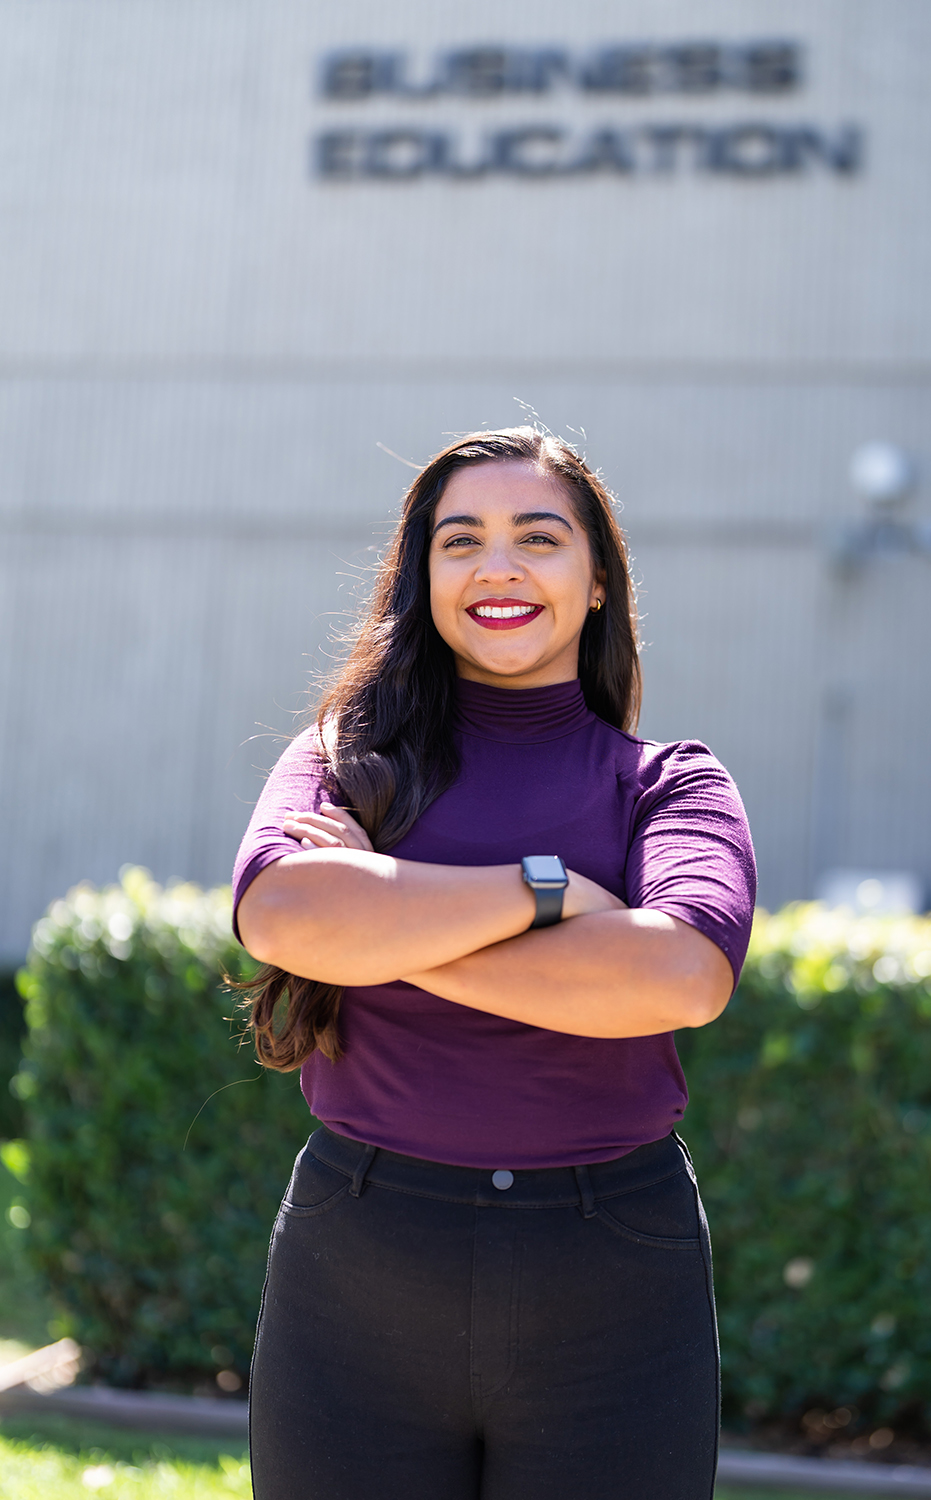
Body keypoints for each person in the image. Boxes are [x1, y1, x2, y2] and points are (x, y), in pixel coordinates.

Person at [232, 427, 756, 1500]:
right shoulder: (341, 758)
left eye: (539, 538)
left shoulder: (673, 785)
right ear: (422, 577)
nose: (497, 568)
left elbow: (683, 979)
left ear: (598, 580)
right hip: (360, 1256)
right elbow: (281, 916)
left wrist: (387, 924)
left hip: (613, 1268)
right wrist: (545, 891)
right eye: (460, 539)